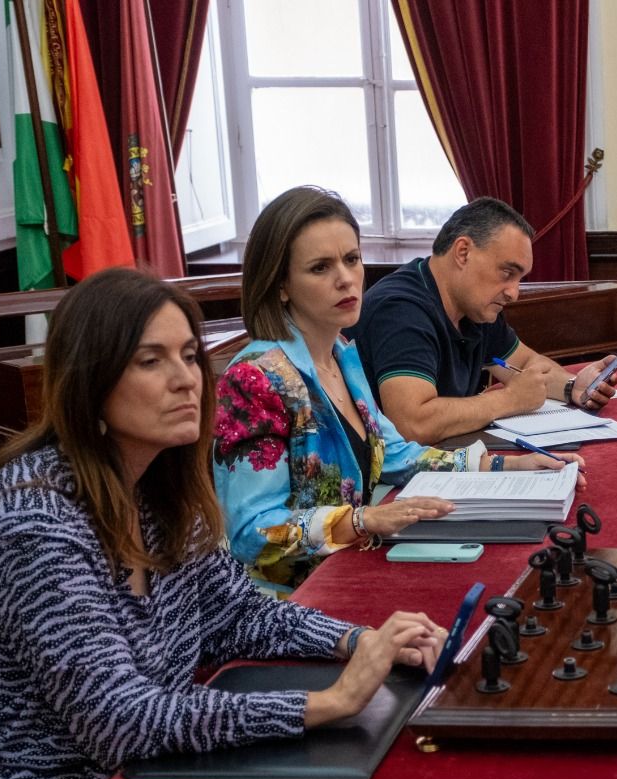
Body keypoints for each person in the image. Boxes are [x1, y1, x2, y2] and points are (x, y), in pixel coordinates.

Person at [0, 268, 448, 779]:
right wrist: (327, 702)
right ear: (91, 380)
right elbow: (121, 723)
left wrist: (358, 640)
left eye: (190, 356)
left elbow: (237, 617)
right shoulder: (35, 522)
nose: (186, 378)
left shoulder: (158, 483)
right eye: (151, 360)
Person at [214, 187, 580, 592]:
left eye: (352, 259)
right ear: (281, 284)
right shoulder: (255, 379)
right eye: (320, 268)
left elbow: (394, 455)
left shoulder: (340, 355)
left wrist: (500, 466)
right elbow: (251, 533)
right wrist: (361, 520)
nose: (346, 279)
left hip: (353, 567)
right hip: (289, 599)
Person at [351, 197, 617, 442]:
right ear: (463, 252)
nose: (514, 293)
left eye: (519, 279)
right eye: (507, 272)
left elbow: (526, 366)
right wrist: (509, 399)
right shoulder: (401, 310)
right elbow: (412, 424)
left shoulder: (474, 309)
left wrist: (572, 386)